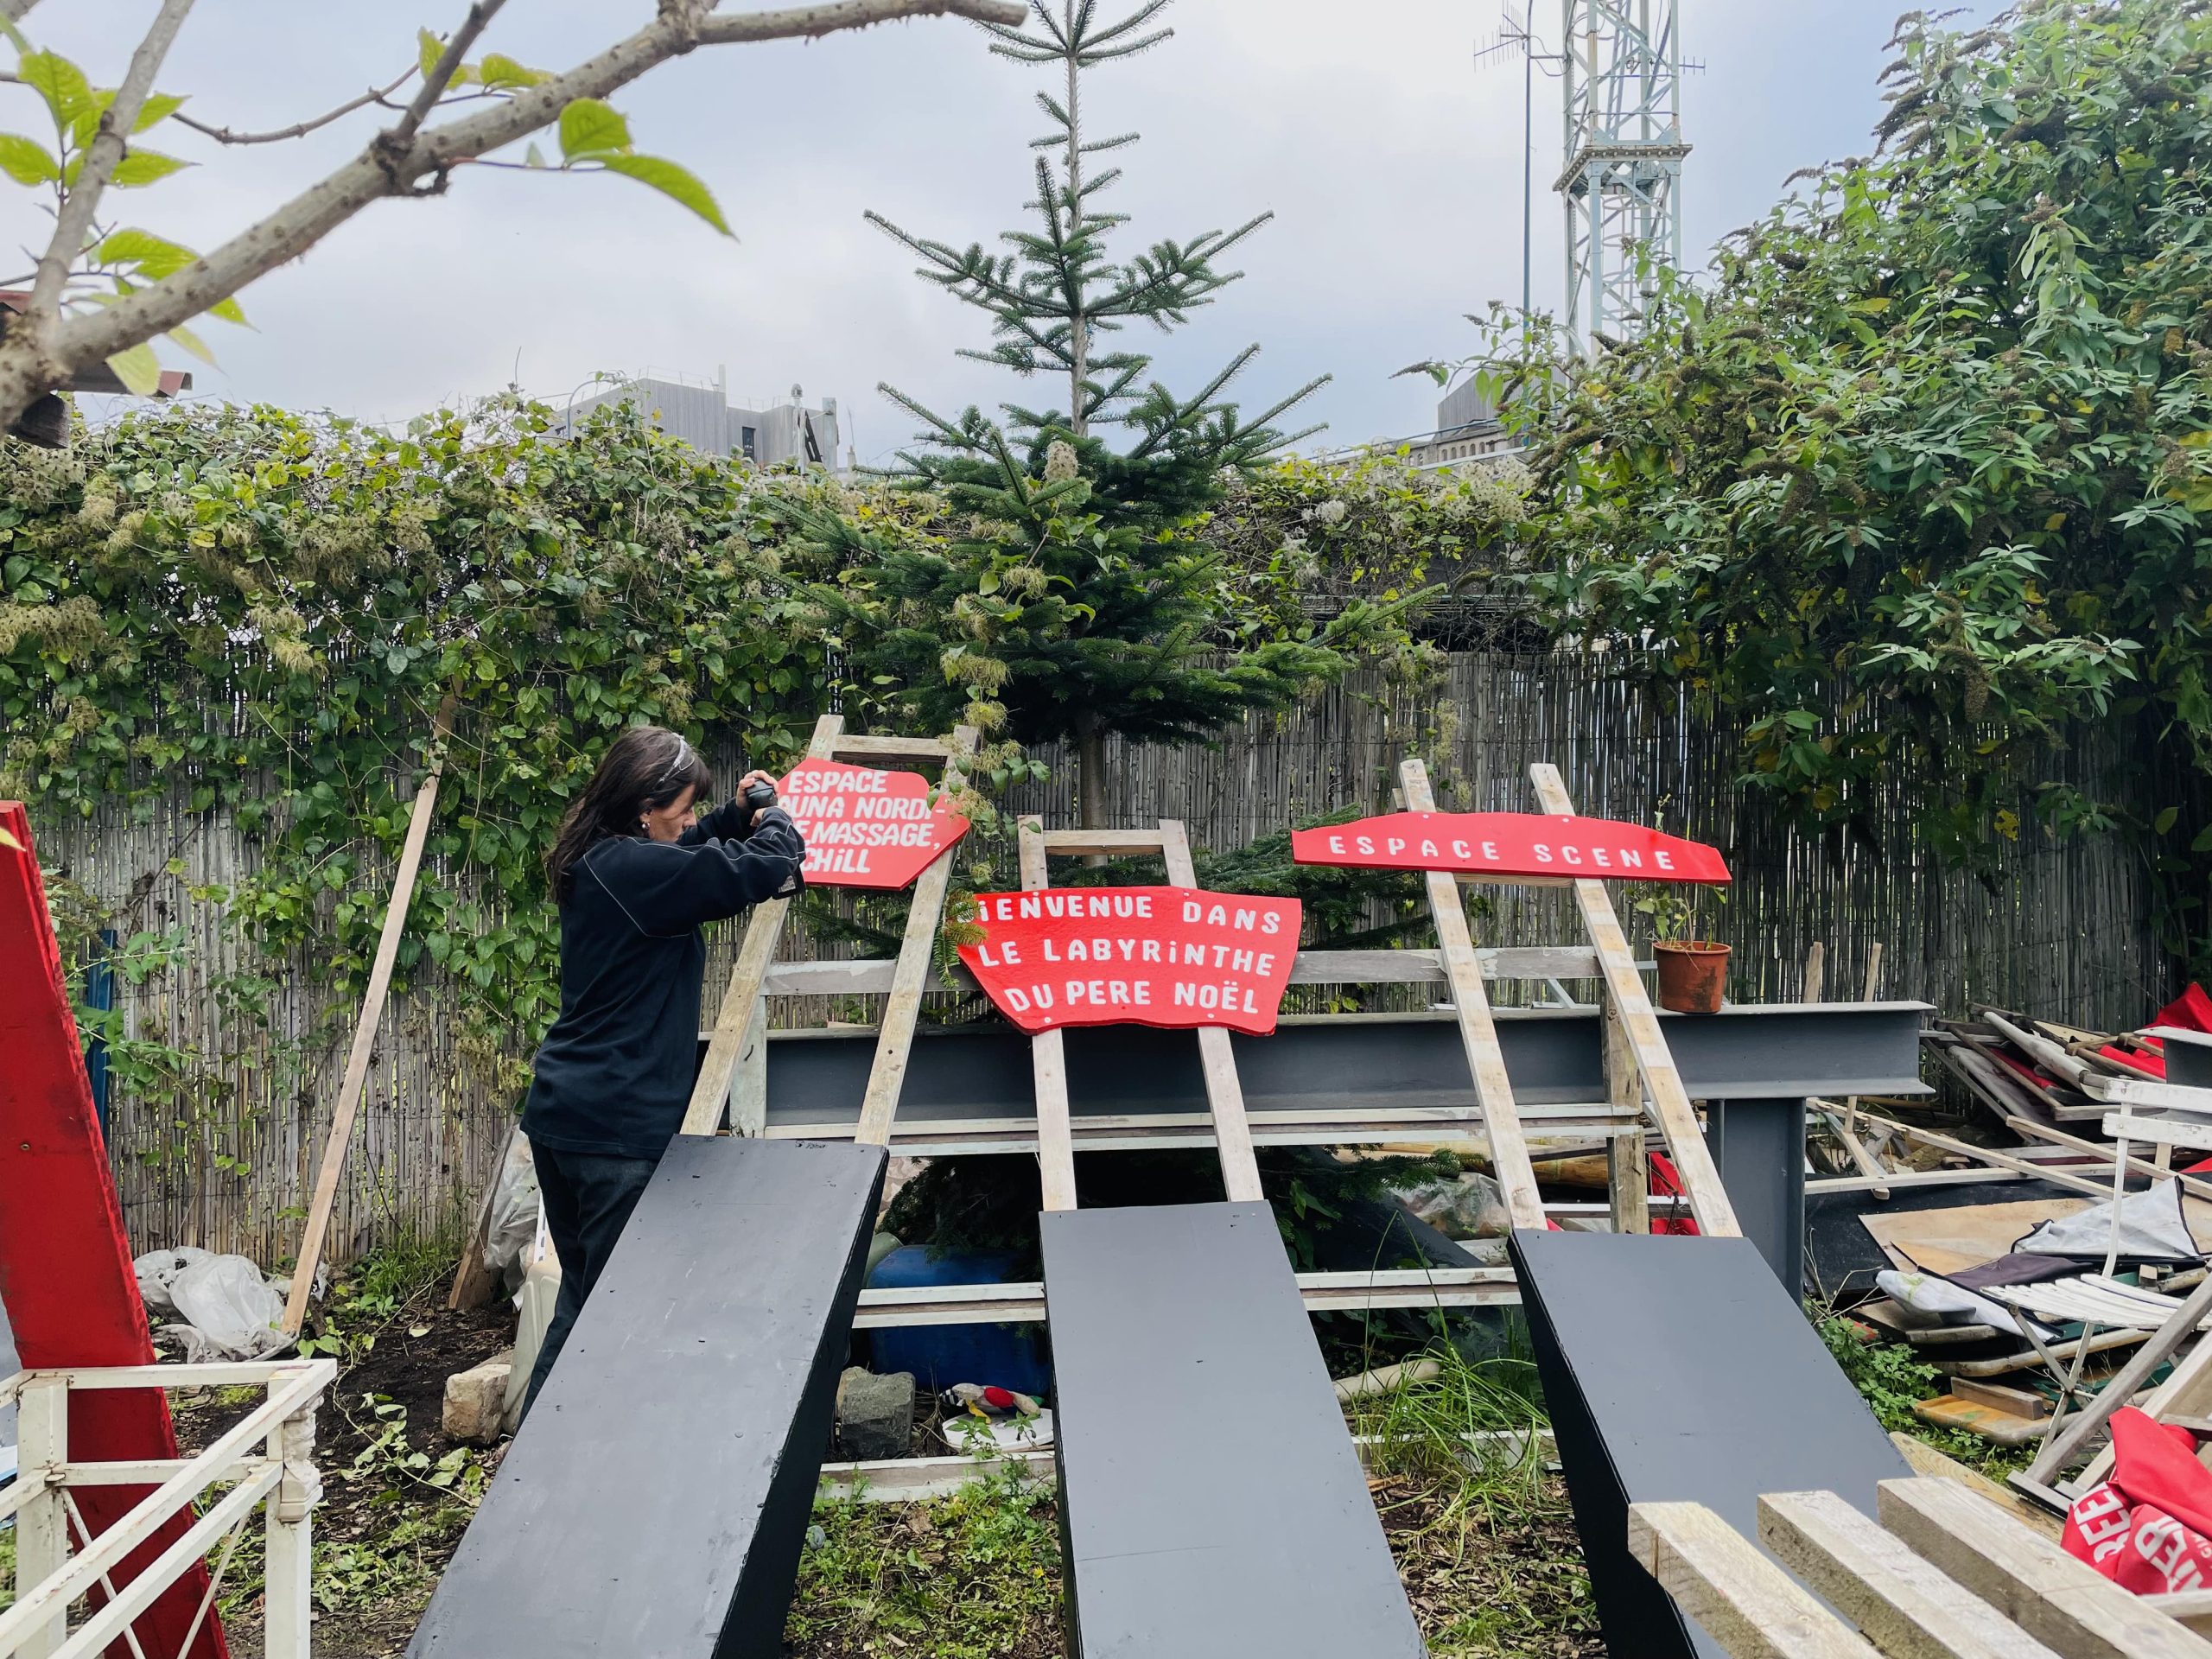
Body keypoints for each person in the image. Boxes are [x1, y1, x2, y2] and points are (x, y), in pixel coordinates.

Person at [518, 725, 805, 1415]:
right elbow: (749, 871)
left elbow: (690, 852)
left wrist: (731, 817)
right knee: (613, 1312)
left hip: (570, 1115)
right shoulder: (636, 872)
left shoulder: (606, 859)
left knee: (587, 1294)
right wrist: (778, 825)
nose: (685, 821)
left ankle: (541, 1472)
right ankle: (556, 1470)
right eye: (678, 810)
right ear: (643, 806)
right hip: (616, 1129)